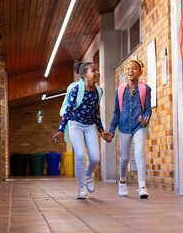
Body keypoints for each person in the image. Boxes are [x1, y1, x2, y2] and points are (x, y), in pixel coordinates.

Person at [52, 62, 111, 199]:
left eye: (97, 70)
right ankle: (82, 188)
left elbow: (96, 112)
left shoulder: (98, 91)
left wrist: (101, 131)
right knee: (80, 156)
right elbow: (68, 111)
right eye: (93, 70)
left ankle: (88, 175)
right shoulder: (76, 90)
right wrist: (61, 130)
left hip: (90, 126)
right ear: (85, 75)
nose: (97, 72)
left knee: (95, 158)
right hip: (75, 125)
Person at [107, 59, 152, 199]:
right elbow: (116, 111)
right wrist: (112, 129)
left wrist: (145, 119)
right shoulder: (119, 90)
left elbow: (148, 110)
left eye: (134, 68)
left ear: (140, 71)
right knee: (124, 157)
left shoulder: (145, 88)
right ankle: (122, 182)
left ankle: (142, 187)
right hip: (124, 126)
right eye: (128, 69)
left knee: (139, 153)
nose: (131, 71)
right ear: (125, 72)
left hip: (139, 126)